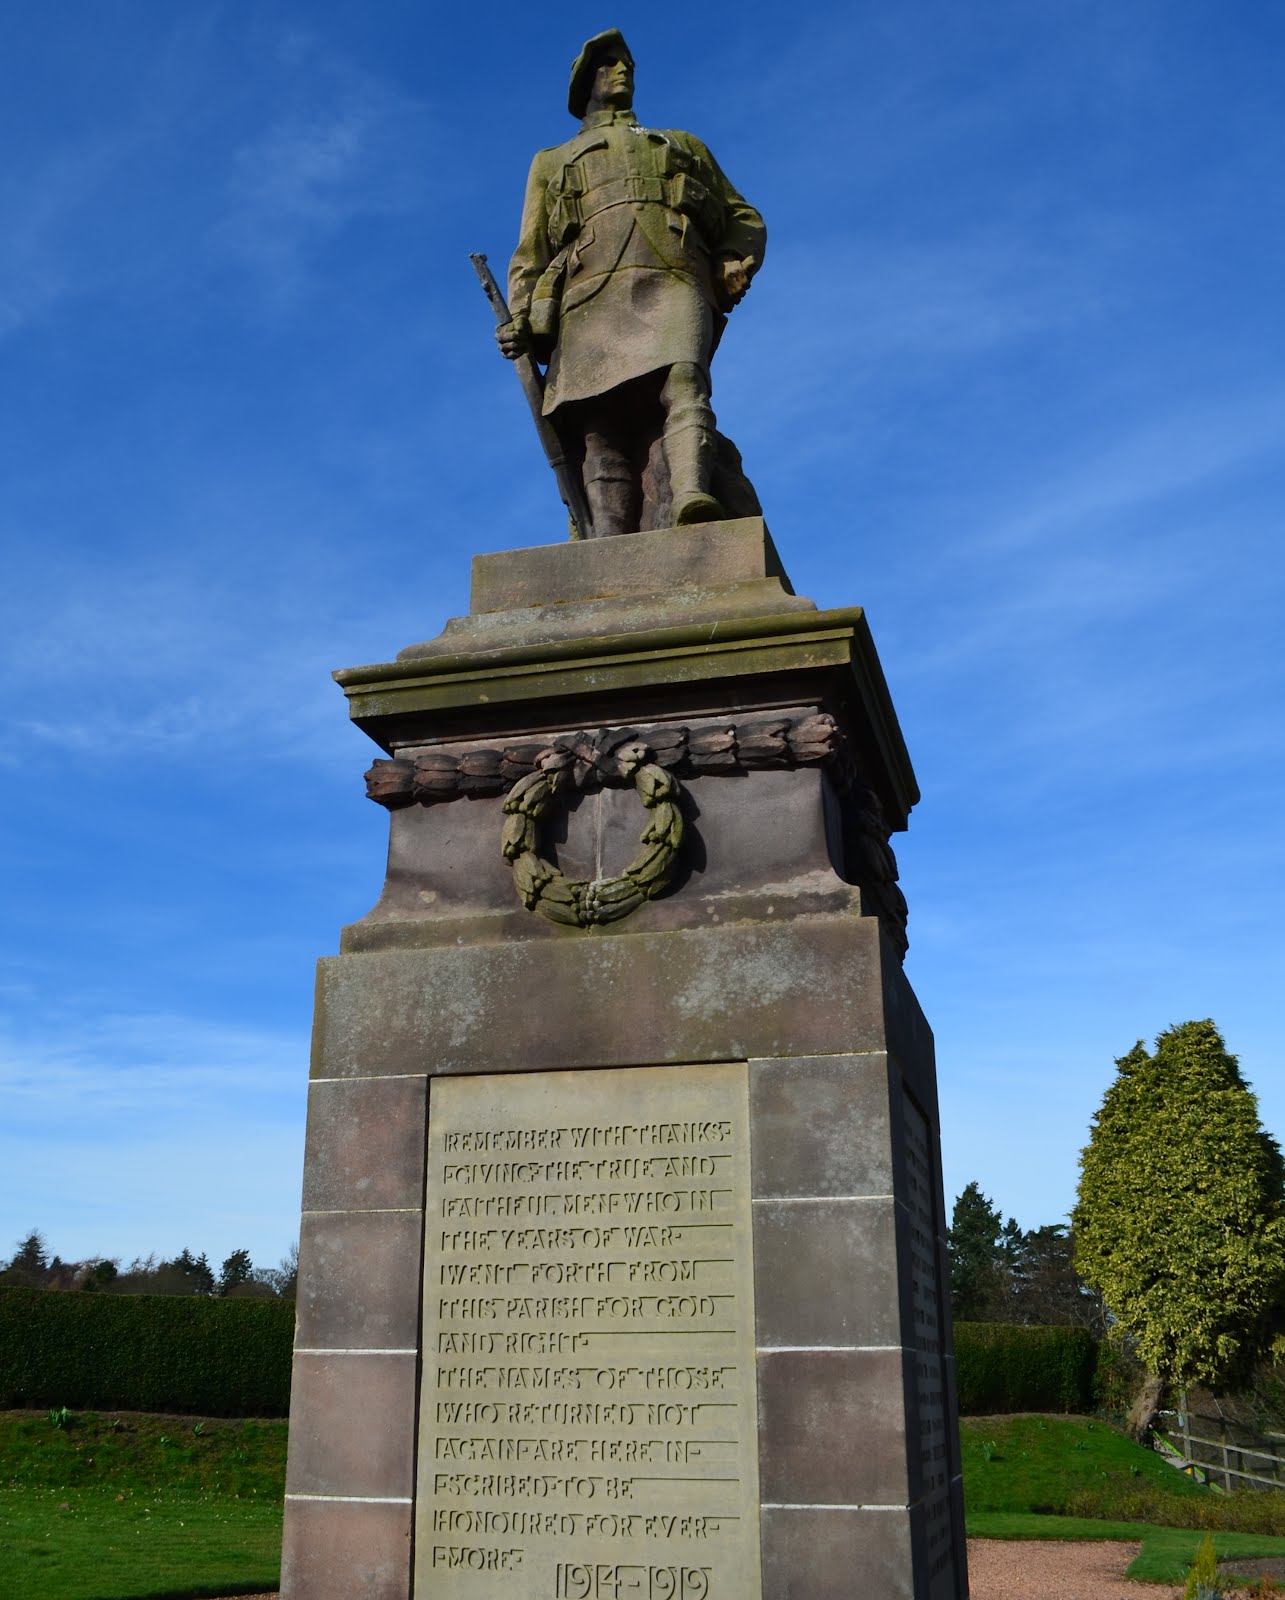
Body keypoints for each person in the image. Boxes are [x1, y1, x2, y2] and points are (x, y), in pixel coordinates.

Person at [497, 29, 766, 536]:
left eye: (627, 66)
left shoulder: (681, 144)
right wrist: (521, 319)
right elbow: (531, 253)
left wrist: (733, 258)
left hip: (672, 275)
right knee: (598, 429)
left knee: (685, 378)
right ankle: (610, 539)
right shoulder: (551, 161)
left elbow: (743, 217)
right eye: (609, 66)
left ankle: (691, 495)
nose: (622, 72)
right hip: (587, 294)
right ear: (586, 84)